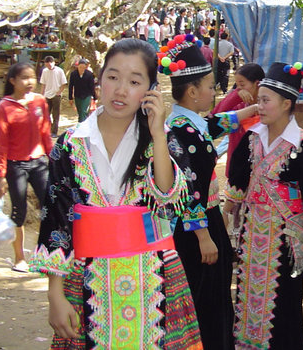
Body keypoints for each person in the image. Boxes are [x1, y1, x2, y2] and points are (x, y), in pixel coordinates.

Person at [30, 38, 203, 349]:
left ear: (150, 89)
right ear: (100, 81)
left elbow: (169, 198)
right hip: (86, 279)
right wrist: (54, 294)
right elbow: (56, 222)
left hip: (155, 278)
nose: (121, 90)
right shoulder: (70, 144)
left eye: (134, 81)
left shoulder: (162, 140)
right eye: (112, 77)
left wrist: (158, 135)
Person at [223, 62, 303, 350]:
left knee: (282, 300)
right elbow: (238, 177)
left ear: (286, 104)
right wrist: (228, 209)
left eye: (265, 100)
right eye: (259, 99)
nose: (260, 105)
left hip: (286, 237)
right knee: (247, 291)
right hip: (252, 233)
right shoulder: (252, 138)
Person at [163, 34, 258, 349]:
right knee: (206, 296)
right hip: (197, 228)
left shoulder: (188, 124)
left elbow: (217, 124)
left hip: (205, 221)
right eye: (208, 86)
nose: (213, 90)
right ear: (192, 92)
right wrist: (203, 235)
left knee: (213, 293)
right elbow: (186, 188)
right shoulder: (182, 132)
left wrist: (254, 108)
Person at [0, 63, 52, 272]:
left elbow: (46, 133)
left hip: (39, 164)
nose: (29, 82)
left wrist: (52, 160)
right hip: (15, 166)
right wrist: (1, 176)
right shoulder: (4, 106)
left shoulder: (39, 102)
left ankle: (46, 254)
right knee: (19, 211)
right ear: (13, 81)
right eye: (24, 78)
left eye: (32, 78)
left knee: (50, 206)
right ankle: (19, 258)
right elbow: (1, 143)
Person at [212, 62, 264, 177]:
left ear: (257, 83)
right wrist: (236, 94)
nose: (239, 88)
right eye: (237, 85)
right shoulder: (238, 106)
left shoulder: (267, 108)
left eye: (242, 84)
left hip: (260, 170)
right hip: (237, 169)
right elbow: (215, 117)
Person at [40, 56, 68, 137]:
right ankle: (49, 129)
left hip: (56, 94)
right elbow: (43, 84)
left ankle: (54, 132)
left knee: (56, 114)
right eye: (47, 65)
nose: (48, 67)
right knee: (46, 114)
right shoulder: (45, 71)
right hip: (47, 94)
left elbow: (64, 83)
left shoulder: (59, 71)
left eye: (50, 65)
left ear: (53, 62)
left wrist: (59, 92)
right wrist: (42, 94)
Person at [68, 58, 97, 122]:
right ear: (78, 66)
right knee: (80, 112)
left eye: (84, 67)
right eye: (80, 67)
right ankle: (84, 124)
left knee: (84, 111)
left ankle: (81, 125)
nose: (82, 69)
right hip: (77, 95)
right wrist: (70, 98)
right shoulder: (73, 74)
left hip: (87, 95)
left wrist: (95, 97)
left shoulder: (89, 74)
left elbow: (92, 87)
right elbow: (71, 86)